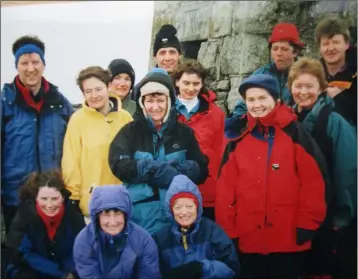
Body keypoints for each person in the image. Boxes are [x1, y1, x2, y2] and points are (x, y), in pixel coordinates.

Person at [216, 74, 327, 279]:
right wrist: (228, 231)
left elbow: (313, 183)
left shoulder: (294, 133)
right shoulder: (238, 138)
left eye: (262, 98)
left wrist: (308, 223)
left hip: (289, 240)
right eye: (251, 100)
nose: (256, 105)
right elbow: (225, 190)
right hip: (249, 240)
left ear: (276, 100)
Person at [109, 68, 209, 235]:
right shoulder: (129, 132)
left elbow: (202, 169)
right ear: (141, 102)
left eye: (161, 100)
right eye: (149, 101)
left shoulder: (184, 133)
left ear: (169, 101)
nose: (155, 107)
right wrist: (153, 169)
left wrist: (181, 171)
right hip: (140, 218)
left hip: (177, 217)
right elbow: (118, 164)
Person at [288, 57, 357, 279]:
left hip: (328, 215)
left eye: (310, 86)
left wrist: (342, 215)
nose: (303, 91)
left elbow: (348, 170)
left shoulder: (334, 121)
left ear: (321, 87)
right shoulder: (289, 118)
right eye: (298, 86)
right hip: (297, 215)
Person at [1, 35, 73, 234]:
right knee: (19, 255)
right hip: (16, 198)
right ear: (17, 66)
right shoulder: (5, 104)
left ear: (43, 64)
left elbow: (76, 144)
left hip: (54, 197)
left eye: (35, 62)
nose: (30, 68)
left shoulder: (59, 103)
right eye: (24, 63)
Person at [61, 66, 133, 221]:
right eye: (88, 91)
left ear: (108, 87)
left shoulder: (125, 118)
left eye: (98, 89)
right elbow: (70, 161)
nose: (94, 95)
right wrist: (73, 195)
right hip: (92, 203)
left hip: (122, 200)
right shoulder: (78, 120)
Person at [153, 174, 240, 279]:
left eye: (189, 206)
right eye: (178, 207)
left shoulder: (212, 231)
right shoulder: (160, 238)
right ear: (171, 210)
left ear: (197, 207)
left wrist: (202, 268)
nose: (184, 212)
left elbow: (231, 269)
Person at [4, 170, 85, 279]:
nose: (49, 205)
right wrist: (60, 273)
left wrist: (70, 273)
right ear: (36, 198)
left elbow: (80, 250)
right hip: (31, 270)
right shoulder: (25, 216)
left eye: (54, 199)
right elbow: (22, 254)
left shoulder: (74, 217)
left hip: (66, 270)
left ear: (63, 197)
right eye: (44, 199)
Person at [172, 59, 225, 221]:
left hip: (206, 189)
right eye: (186, 83)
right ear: (177, 82)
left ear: (202, 84)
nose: (190, 88)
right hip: (172, 186)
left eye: (196, 83)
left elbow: (220, 151)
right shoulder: (166, 111)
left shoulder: (216, 114)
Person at [73, 185, 161, 279]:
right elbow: (89, 275)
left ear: (125, 214)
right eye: (106, 214)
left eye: (118, 213)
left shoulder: (143, 240)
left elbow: (149, 275)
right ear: (97, 216)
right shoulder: (84, 241)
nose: (113, 222)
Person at [231, 22, 304, 117]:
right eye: (275, 49)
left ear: (295, 52)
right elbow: (242, 105)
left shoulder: (305, 74)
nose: (279, 53)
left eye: (284, 49)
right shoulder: (261, 74)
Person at [315, 15, 357, 127]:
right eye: (325, 44)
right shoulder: (313, 75)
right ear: (319, 48)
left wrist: (337, 99)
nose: (330, 48)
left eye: (336, 42)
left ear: (347, 44)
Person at [131, 24, 182, 101]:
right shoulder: (141, 87)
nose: (167, 58)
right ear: (155, 57)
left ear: (179, 55)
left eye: (172, 52)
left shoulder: (190, 85)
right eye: (162, 53)